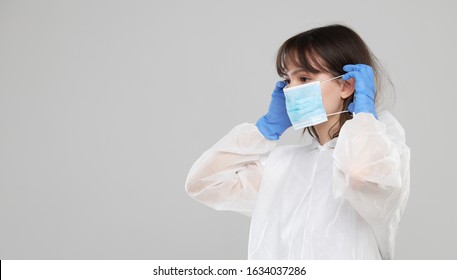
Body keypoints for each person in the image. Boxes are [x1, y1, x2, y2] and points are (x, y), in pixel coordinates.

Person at [184, 24, 410, 260]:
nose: (291, 90)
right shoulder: (284, 164)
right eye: (287, 80)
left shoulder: (382, 146)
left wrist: (364, 116)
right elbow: (202, 183)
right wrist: (265, 131)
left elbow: (361, 175)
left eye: (304, 78)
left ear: (346, 85)